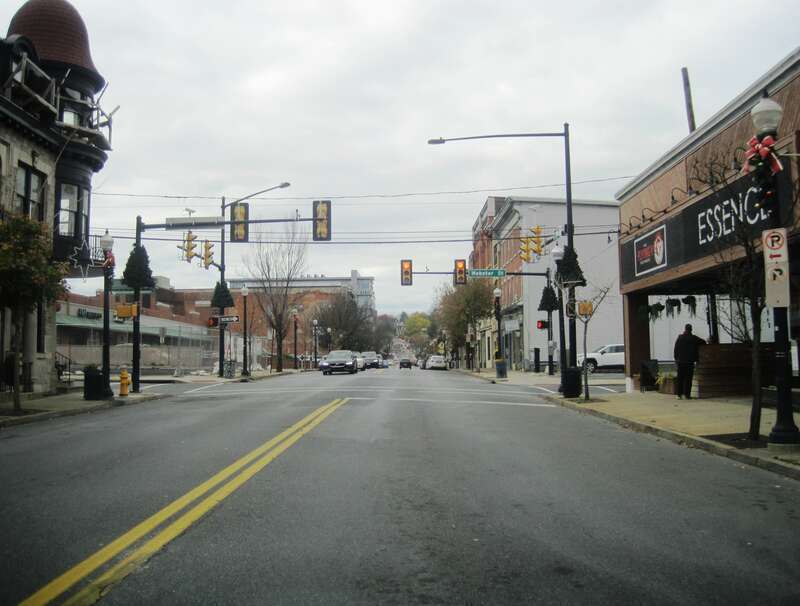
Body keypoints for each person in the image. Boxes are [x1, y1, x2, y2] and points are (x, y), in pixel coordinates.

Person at [673, 324, 706, 399]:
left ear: (685, 329)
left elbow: (676, 349)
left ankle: (679, 395)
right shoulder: (694, 338)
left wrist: (676, 359)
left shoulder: (680, 338)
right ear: (691, 329)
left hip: (681, 362)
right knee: (688, 379)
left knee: (680, 378)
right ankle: (687, 395)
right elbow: (703, 342)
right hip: (689, 362)